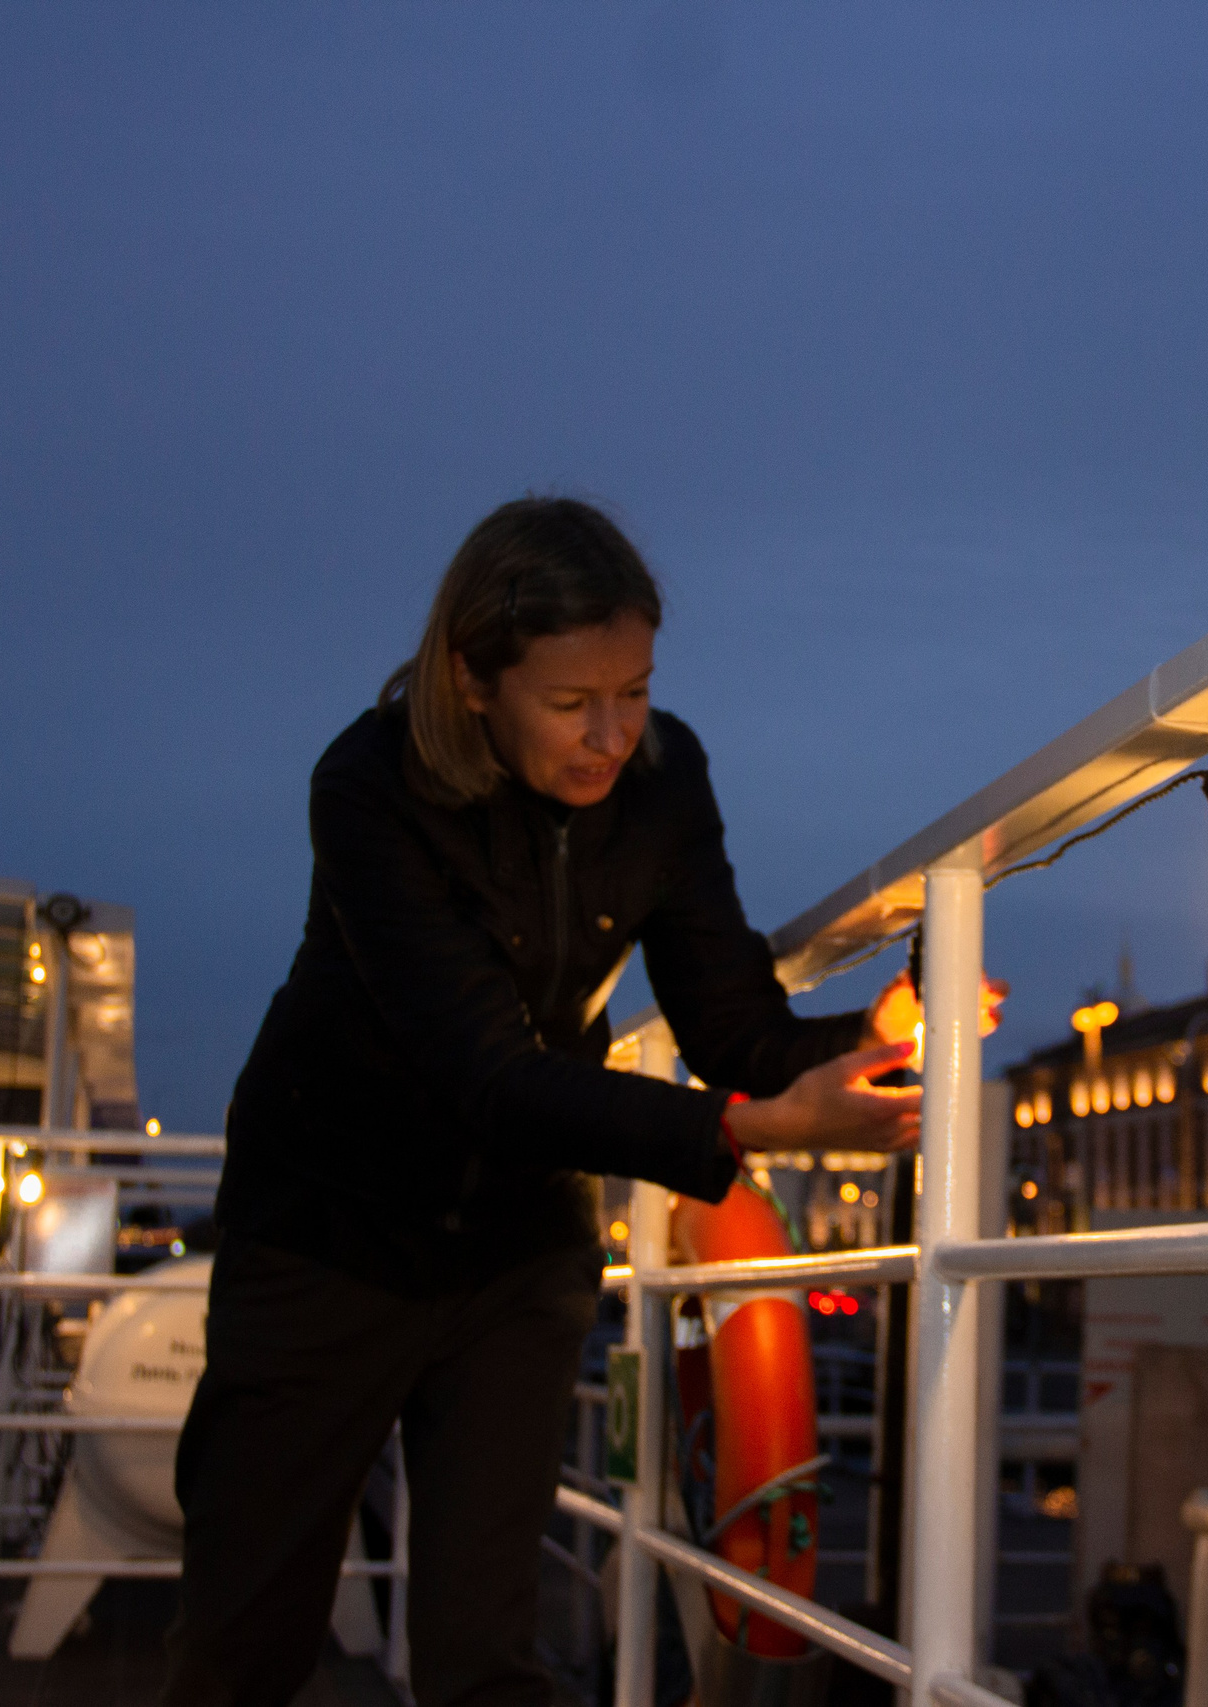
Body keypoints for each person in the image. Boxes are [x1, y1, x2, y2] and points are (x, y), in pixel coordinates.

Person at [166, 498, 996, 1707]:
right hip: (326, 1239)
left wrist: (875, 1034)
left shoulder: (663, 777)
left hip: (515, 1250)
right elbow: (487, 1076)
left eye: (635, 692)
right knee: (246, 1639)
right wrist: (739, 1132)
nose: (612, 736)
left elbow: (732, 1028)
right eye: (571, 702)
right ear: (471, 680)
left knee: (486, 1654)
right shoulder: (369, 785)